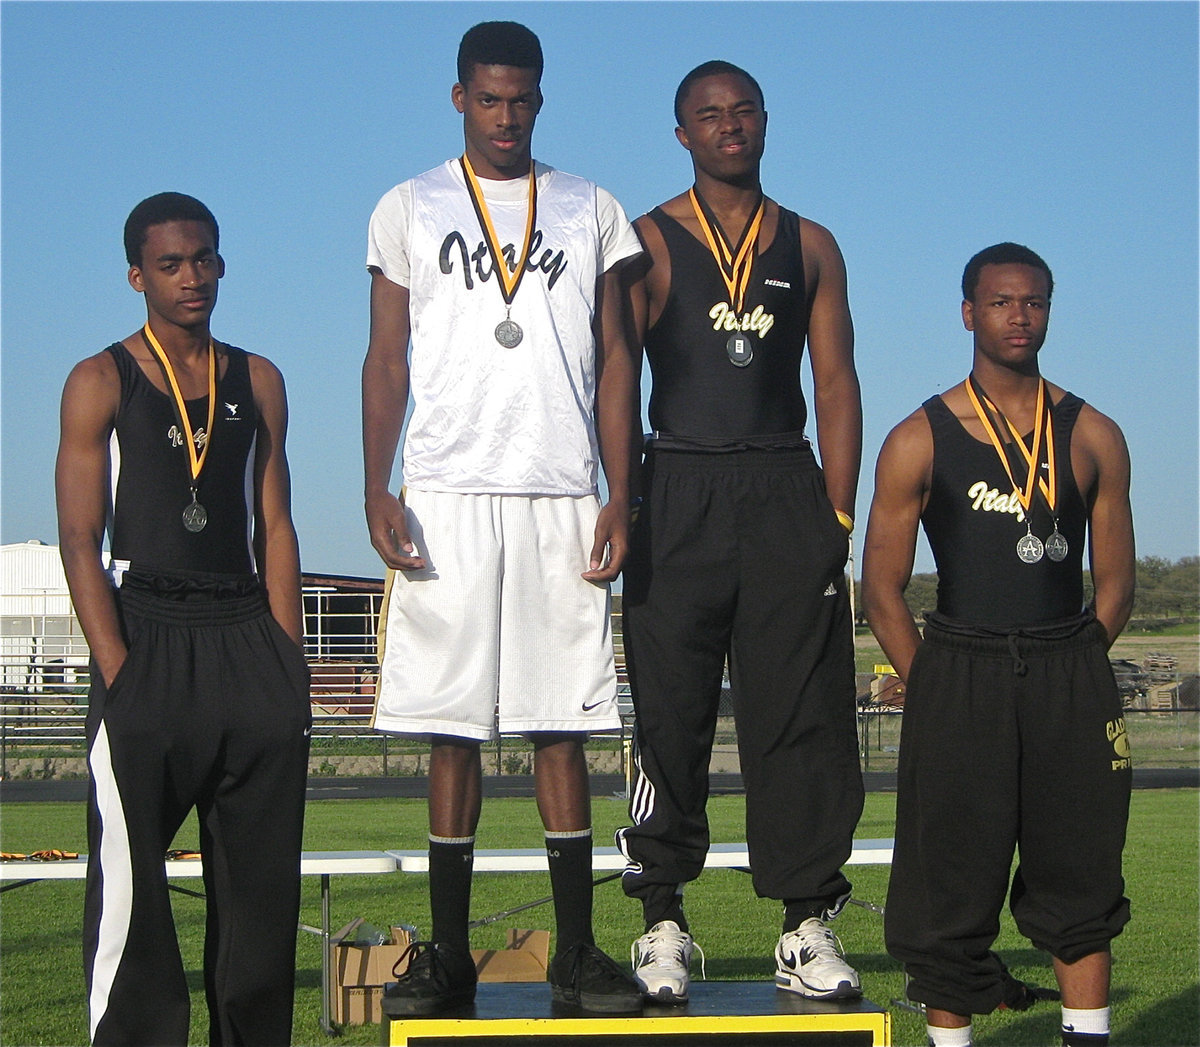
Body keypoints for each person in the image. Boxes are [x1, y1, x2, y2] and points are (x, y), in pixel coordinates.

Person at [362, 21, 643, 1015]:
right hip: (445, 489)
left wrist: (622, 489)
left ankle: (573, 951)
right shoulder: (409, 203)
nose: (507, 116)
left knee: (559, 726)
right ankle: (446, 958)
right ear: (458, 99)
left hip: (563, 491)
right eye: (489, 99)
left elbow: (619, 356)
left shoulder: (591, 206)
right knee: (452, 731)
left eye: (522, 99)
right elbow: (387, 355)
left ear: (540, 99)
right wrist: (377, 483)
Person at [615, 60, 865, 1004]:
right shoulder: (645, 240)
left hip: (780, 481)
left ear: (766, 122)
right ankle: (663, 921)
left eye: (743, 112)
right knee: (670, 714)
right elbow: (614, 379)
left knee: (799, 714)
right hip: (676, 478)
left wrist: (835, 513)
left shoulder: (811, 243)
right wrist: (623, 495)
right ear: (681, 133)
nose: (729, 127)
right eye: (708, 116)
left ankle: (804, 924)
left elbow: (837, 384)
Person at [862, 243, 1135, 1047]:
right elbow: (881, 589)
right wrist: (938, 678)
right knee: (949, 884)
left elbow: (1115, 584)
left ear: (1049, 309)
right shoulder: (920, 434)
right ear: (968, 313)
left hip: (1066, 671)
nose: (1020, 316)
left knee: (1080, 876)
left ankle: (1087, 1036)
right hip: (962, 669)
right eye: (1002, 302)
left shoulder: (1095, 434)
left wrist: (1078, 662)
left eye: (1035, 302)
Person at [56, 192, 311, 1046]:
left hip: (246, 633)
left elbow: (275, 524)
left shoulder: (258, 378)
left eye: (204, 258)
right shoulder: (101, 378)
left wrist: (288, 666)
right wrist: (121, 671)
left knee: (260, 898)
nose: (192, 277)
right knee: (133, 897)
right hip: (147, 629)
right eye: (170, 264)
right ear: (137, 276)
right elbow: (78, 536)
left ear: (222, 262)